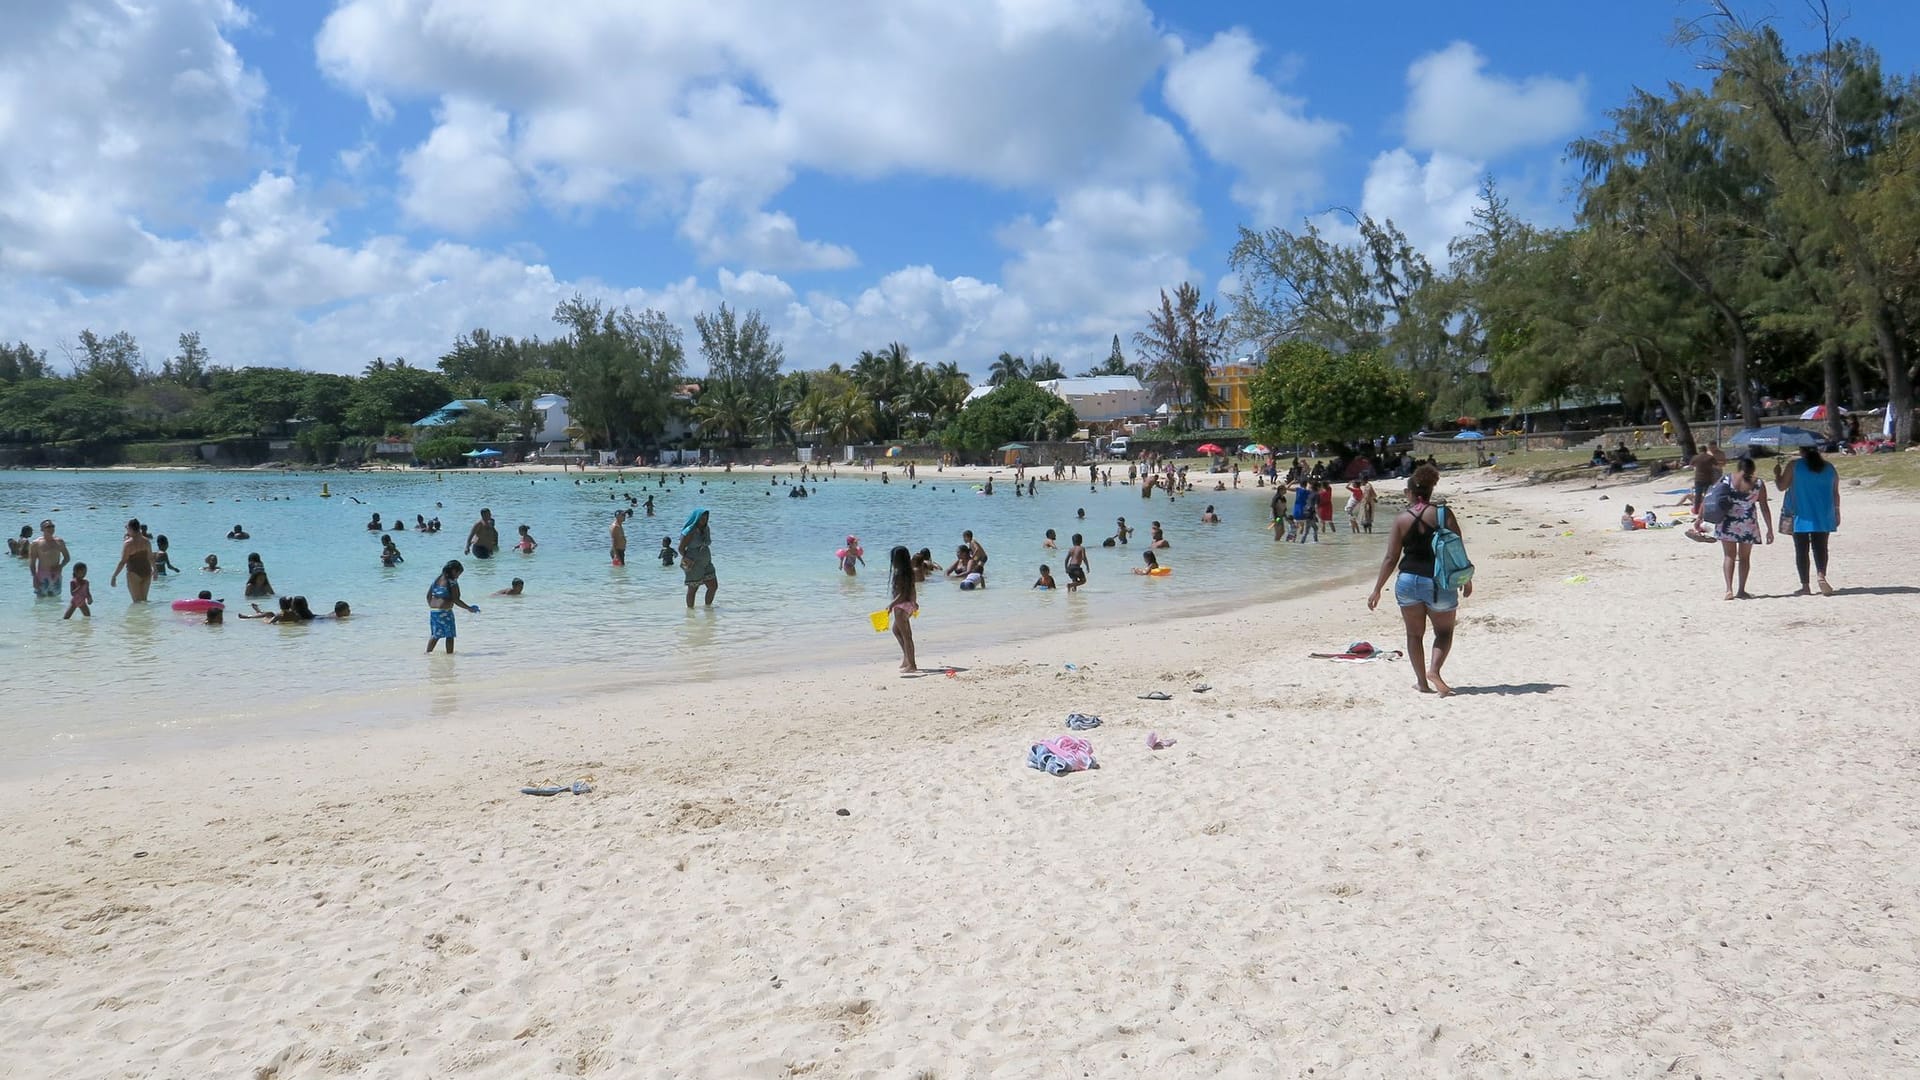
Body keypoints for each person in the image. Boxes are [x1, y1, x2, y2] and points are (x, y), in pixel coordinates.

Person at [1366, 464, 1470, 696]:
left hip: (1408, 582)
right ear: (1431, 491)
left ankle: (1422, 682)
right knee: (1444, 632)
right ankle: (1434, 670)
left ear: (1411, 493)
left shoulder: (1402, 519)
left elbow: (1391, 557)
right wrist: (1467, 577)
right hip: (1440, 581)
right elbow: (1458, 548)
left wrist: (1377, 589)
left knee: (1414, 634)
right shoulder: (1444, 514)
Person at [1775, 445, 1840, 596]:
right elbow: (1835, 492)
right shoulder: (1829, 467)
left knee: (1801, 550)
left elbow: (1781, 486)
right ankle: (1821, 575)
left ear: (1801, 451)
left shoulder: (1794, 465)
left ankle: (1805, 586)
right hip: (1824, 514)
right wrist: (1836, 511)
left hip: (1800, 514)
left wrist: (1777, 474)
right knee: (1821, 547)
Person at [1712, 456, 1773, 600]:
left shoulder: (1727, 479)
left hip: (1727, 522)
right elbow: (1764, 506)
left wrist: (1700, 518)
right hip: (1748, 523)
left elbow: (1712, 497)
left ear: (1739, 467)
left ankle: (1728, 589)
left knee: (1729, 556)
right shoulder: (1758, 483)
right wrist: (1769, 528)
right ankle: (1741, 590)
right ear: (1753, 469)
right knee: (1745, 558)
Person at [426, 560, 478, 653]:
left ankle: (427, 653)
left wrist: (434, 606)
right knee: (450, 635)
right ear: (454, 571)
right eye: (459, 574)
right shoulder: (452, 581)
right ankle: (450, 655)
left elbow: (428, 596)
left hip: (434, 611)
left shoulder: (437, 579)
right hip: (445, 612)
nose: (458, 576)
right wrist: (469, 608)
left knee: (435, 635)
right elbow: (456, 599)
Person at [886, 545, 918, 672]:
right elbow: (912, 589)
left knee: (906, 636)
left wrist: (891, 604)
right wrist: (914, 603)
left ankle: (912, 665)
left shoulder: (899, 573)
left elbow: (902, 594)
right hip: (908, 605)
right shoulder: (910, 571)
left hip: (901, 606)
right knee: (896, 630)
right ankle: (907, 658)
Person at [678, 508, 717, 608]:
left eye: (706, 518)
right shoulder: (690, 531)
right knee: (693, 589)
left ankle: (708, 609)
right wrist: (688, 559)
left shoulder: (706, 528)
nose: (704, 520)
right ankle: (690, 613)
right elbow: (681, 548)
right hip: (694, 563)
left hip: (706, 562)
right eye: (702, 518)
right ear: (697, 518)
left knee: (713, 586)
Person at [108, 518, 154, 602]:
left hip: (134, 573)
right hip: (147, 572)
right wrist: (155, 570)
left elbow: (122, 562)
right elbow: (150, 557)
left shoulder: (128, 544)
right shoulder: (146, 541)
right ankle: (146, 615)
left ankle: (139, 615)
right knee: (144, 601)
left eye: (127, 528)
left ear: (131, 529)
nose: (126, 530)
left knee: (137, 602)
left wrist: (114, 576)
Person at [28, 519, 70, 598]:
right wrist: (34, 578)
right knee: (40, 601)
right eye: (48, 527)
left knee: (56, 602)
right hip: (42, 576)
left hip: (56, 575)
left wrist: (60, 566)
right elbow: (32, 563)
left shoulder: (59, 542)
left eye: (52, 526)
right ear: (42, 529)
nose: (51, 528)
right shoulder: (36, 543)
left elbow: (67, 558)